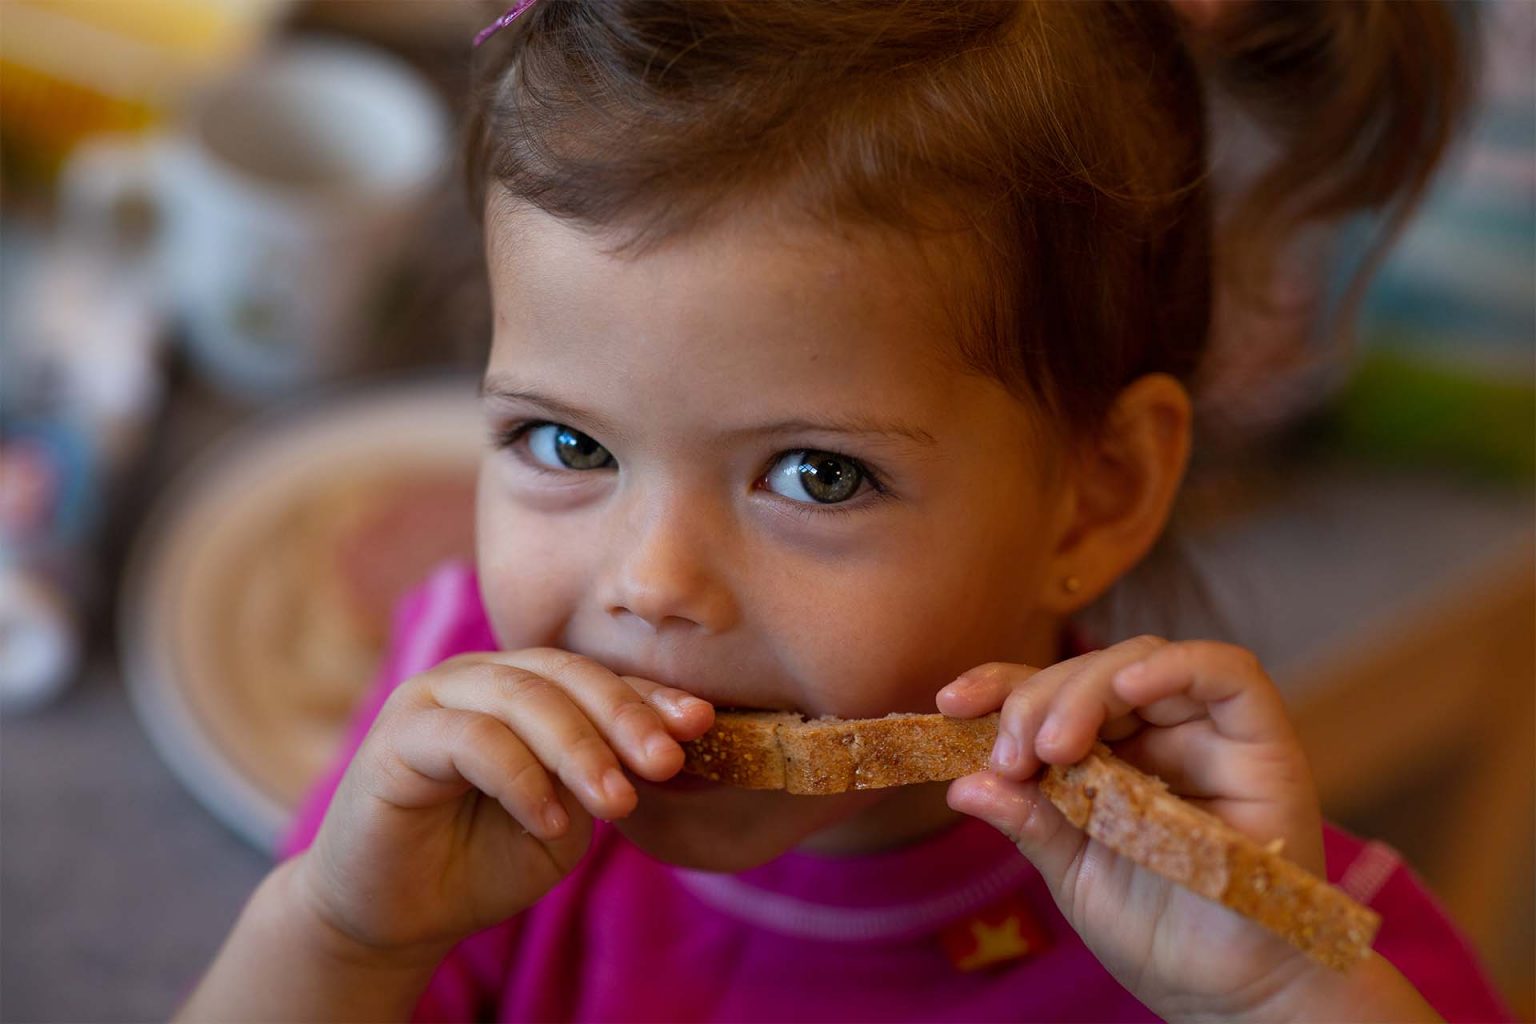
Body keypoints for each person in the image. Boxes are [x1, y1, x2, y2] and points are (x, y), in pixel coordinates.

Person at [177, 2, 1512, 1020]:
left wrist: (1276, 998)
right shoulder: (459, 727)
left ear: (1093, 498)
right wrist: (348, 937)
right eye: (566, 440)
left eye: (818, 474)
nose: (649, 585)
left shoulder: (1275, 936)